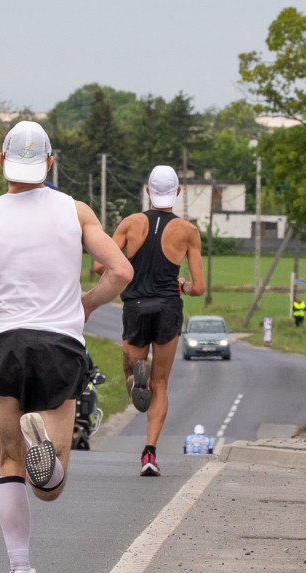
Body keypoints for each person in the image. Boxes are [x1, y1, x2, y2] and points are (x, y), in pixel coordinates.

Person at [0, 120, 132, 573]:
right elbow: (122, 271)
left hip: (5, 345)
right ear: (50, 164)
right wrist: (87, 303)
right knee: (50, 487)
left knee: (9, 463)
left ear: (1, 163)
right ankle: (46, 449)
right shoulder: (76, 212)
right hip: (60, 345)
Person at [96, 164, 204, 476]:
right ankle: (150, 454)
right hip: (168, 309)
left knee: (131, 368)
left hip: (136, 306)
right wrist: (181, 285)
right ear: (178, 193)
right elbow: (198, 288)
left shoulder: (130, 224)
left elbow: (101, 267)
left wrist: (125, 263)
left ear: (147, 190)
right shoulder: (189, 232)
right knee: (161, 384)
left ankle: (134, 381)